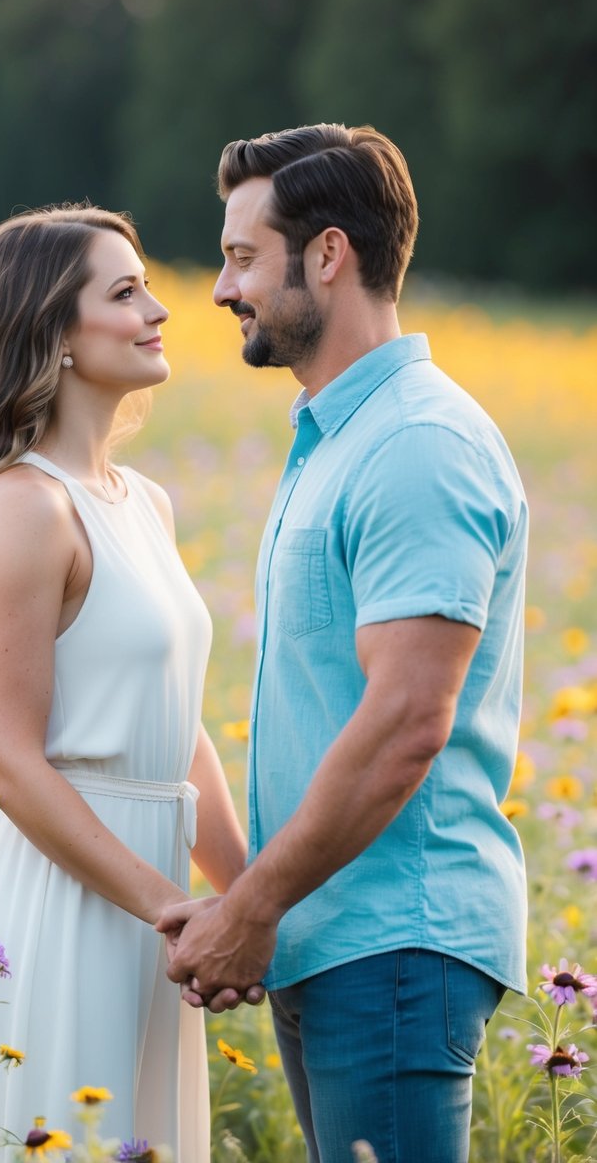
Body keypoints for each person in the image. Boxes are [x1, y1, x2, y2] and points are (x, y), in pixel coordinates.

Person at [158, 124, 529, 1163]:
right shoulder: (336, 436)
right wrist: (257, 905)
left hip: (392, 940)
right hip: (328, 933)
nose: (222, 289)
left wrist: (252, 906)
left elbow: (408, 717)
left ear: (327, 255)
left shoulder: (415, 443)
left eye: (240, 257)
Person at [0, 204, 253, 1162]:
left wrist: (249, 903)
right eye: (124, 291)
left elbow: (179, 734)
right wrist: (169, 907)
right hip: (61, 907)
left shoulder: (143, 501)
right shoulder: (22, 506)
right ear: (52, 333)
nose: (159, 308)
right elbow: (8, 764)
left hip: (154, 910)